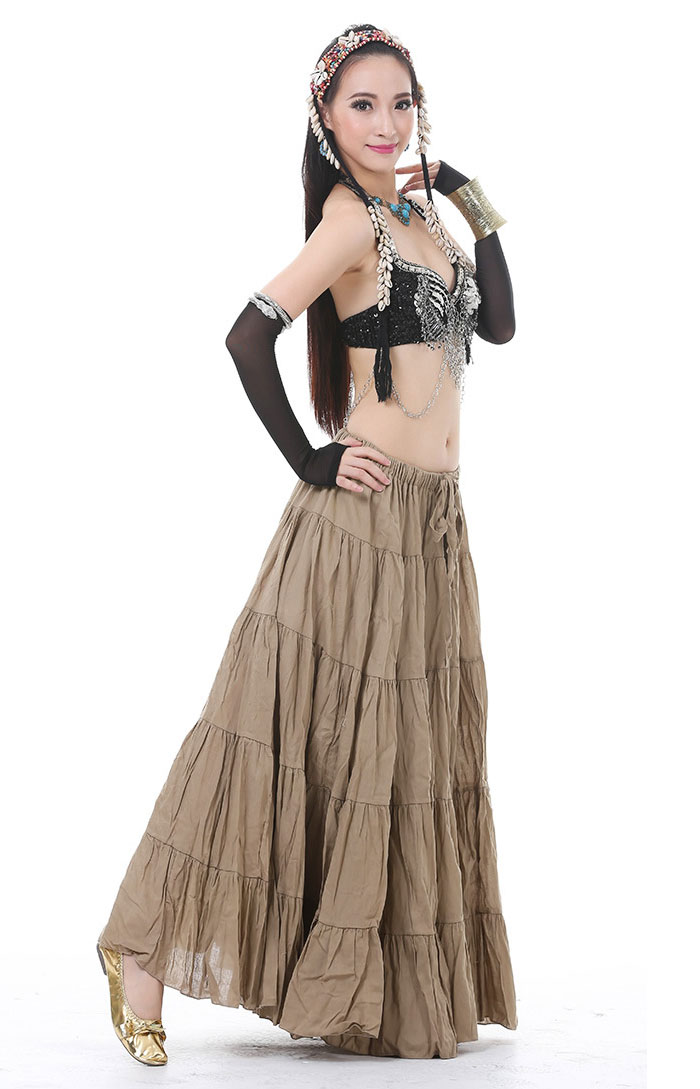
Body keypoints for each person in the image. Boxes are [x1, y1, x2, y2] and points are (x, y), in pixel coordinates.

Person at [96, 23, 518, 1063]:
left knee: (389, 751)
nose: (387, 123)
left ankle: (357, 980)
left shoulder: (419, 215)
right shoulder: (346, 221)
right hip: (356, 527)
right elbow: (248, 335)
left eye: (401, 103)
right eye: (362, 105)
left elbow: (500, 324)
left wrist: (469, 197)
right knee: (271, 732)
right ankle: (138, 954)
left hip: (430, 525)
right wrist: (310, 458)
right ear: (326, 120)